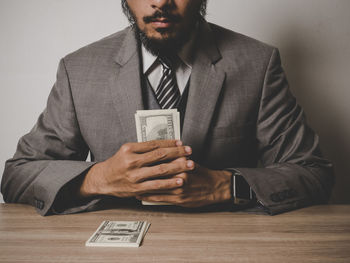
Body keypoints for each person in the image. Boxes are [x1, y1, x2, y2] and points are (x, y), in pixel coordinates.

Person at [1, 0, 334, 216]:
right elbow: (17, 175)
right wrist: (99, 178)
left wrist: (225, 186)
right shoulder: (79, 70)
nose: (160, 2)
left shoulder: (257, 64)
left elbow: (314, 173)